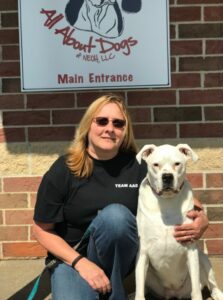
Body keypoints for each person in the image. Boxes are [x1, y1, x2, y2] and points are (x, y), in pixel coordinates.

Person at [33, 94, 208, 300]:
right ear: (89, 124)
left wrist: (201, 219)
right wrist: (82, 263)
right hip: (72, 258)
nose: (110, 128)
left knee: (116, 217)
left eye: (118, 123)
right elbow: (41, 230)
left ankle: (115, 289)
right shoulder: (63, 168)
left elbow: (185, 200)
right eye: (101, 121)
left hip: (119, 261)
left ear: (125, 131)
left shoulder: (140, 168)